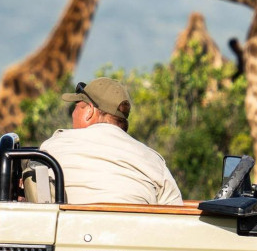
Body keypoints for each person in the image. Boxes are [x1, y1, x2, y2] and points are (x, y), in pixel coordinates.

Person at [38, 77, 183, 206]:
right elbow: (175, 212)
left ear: (90, 111)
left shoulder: (55, 147)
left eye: (76, 108)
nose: (73, 114)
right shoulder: (153, 161)